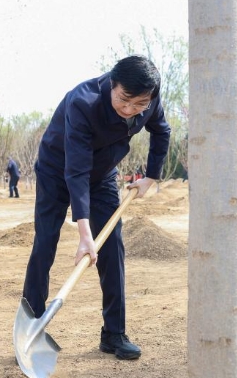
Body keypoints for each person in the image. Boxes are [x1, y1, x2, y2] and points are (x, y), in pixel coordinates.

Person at [23, 55, 171, 360]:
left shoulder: (149, 99)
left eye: (139, 104)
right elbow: (75, 171)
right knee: (45, 242)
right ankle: (30, 328)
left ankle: (114, 333)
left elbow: (161, 131)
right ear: (111, 84)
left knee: (113, 244)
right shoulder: (83, 102)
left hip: (102, 173)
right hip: (57, 170)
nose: (129, 109)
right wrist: (84, 235)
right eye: (124, 100)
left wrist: (151, 177)